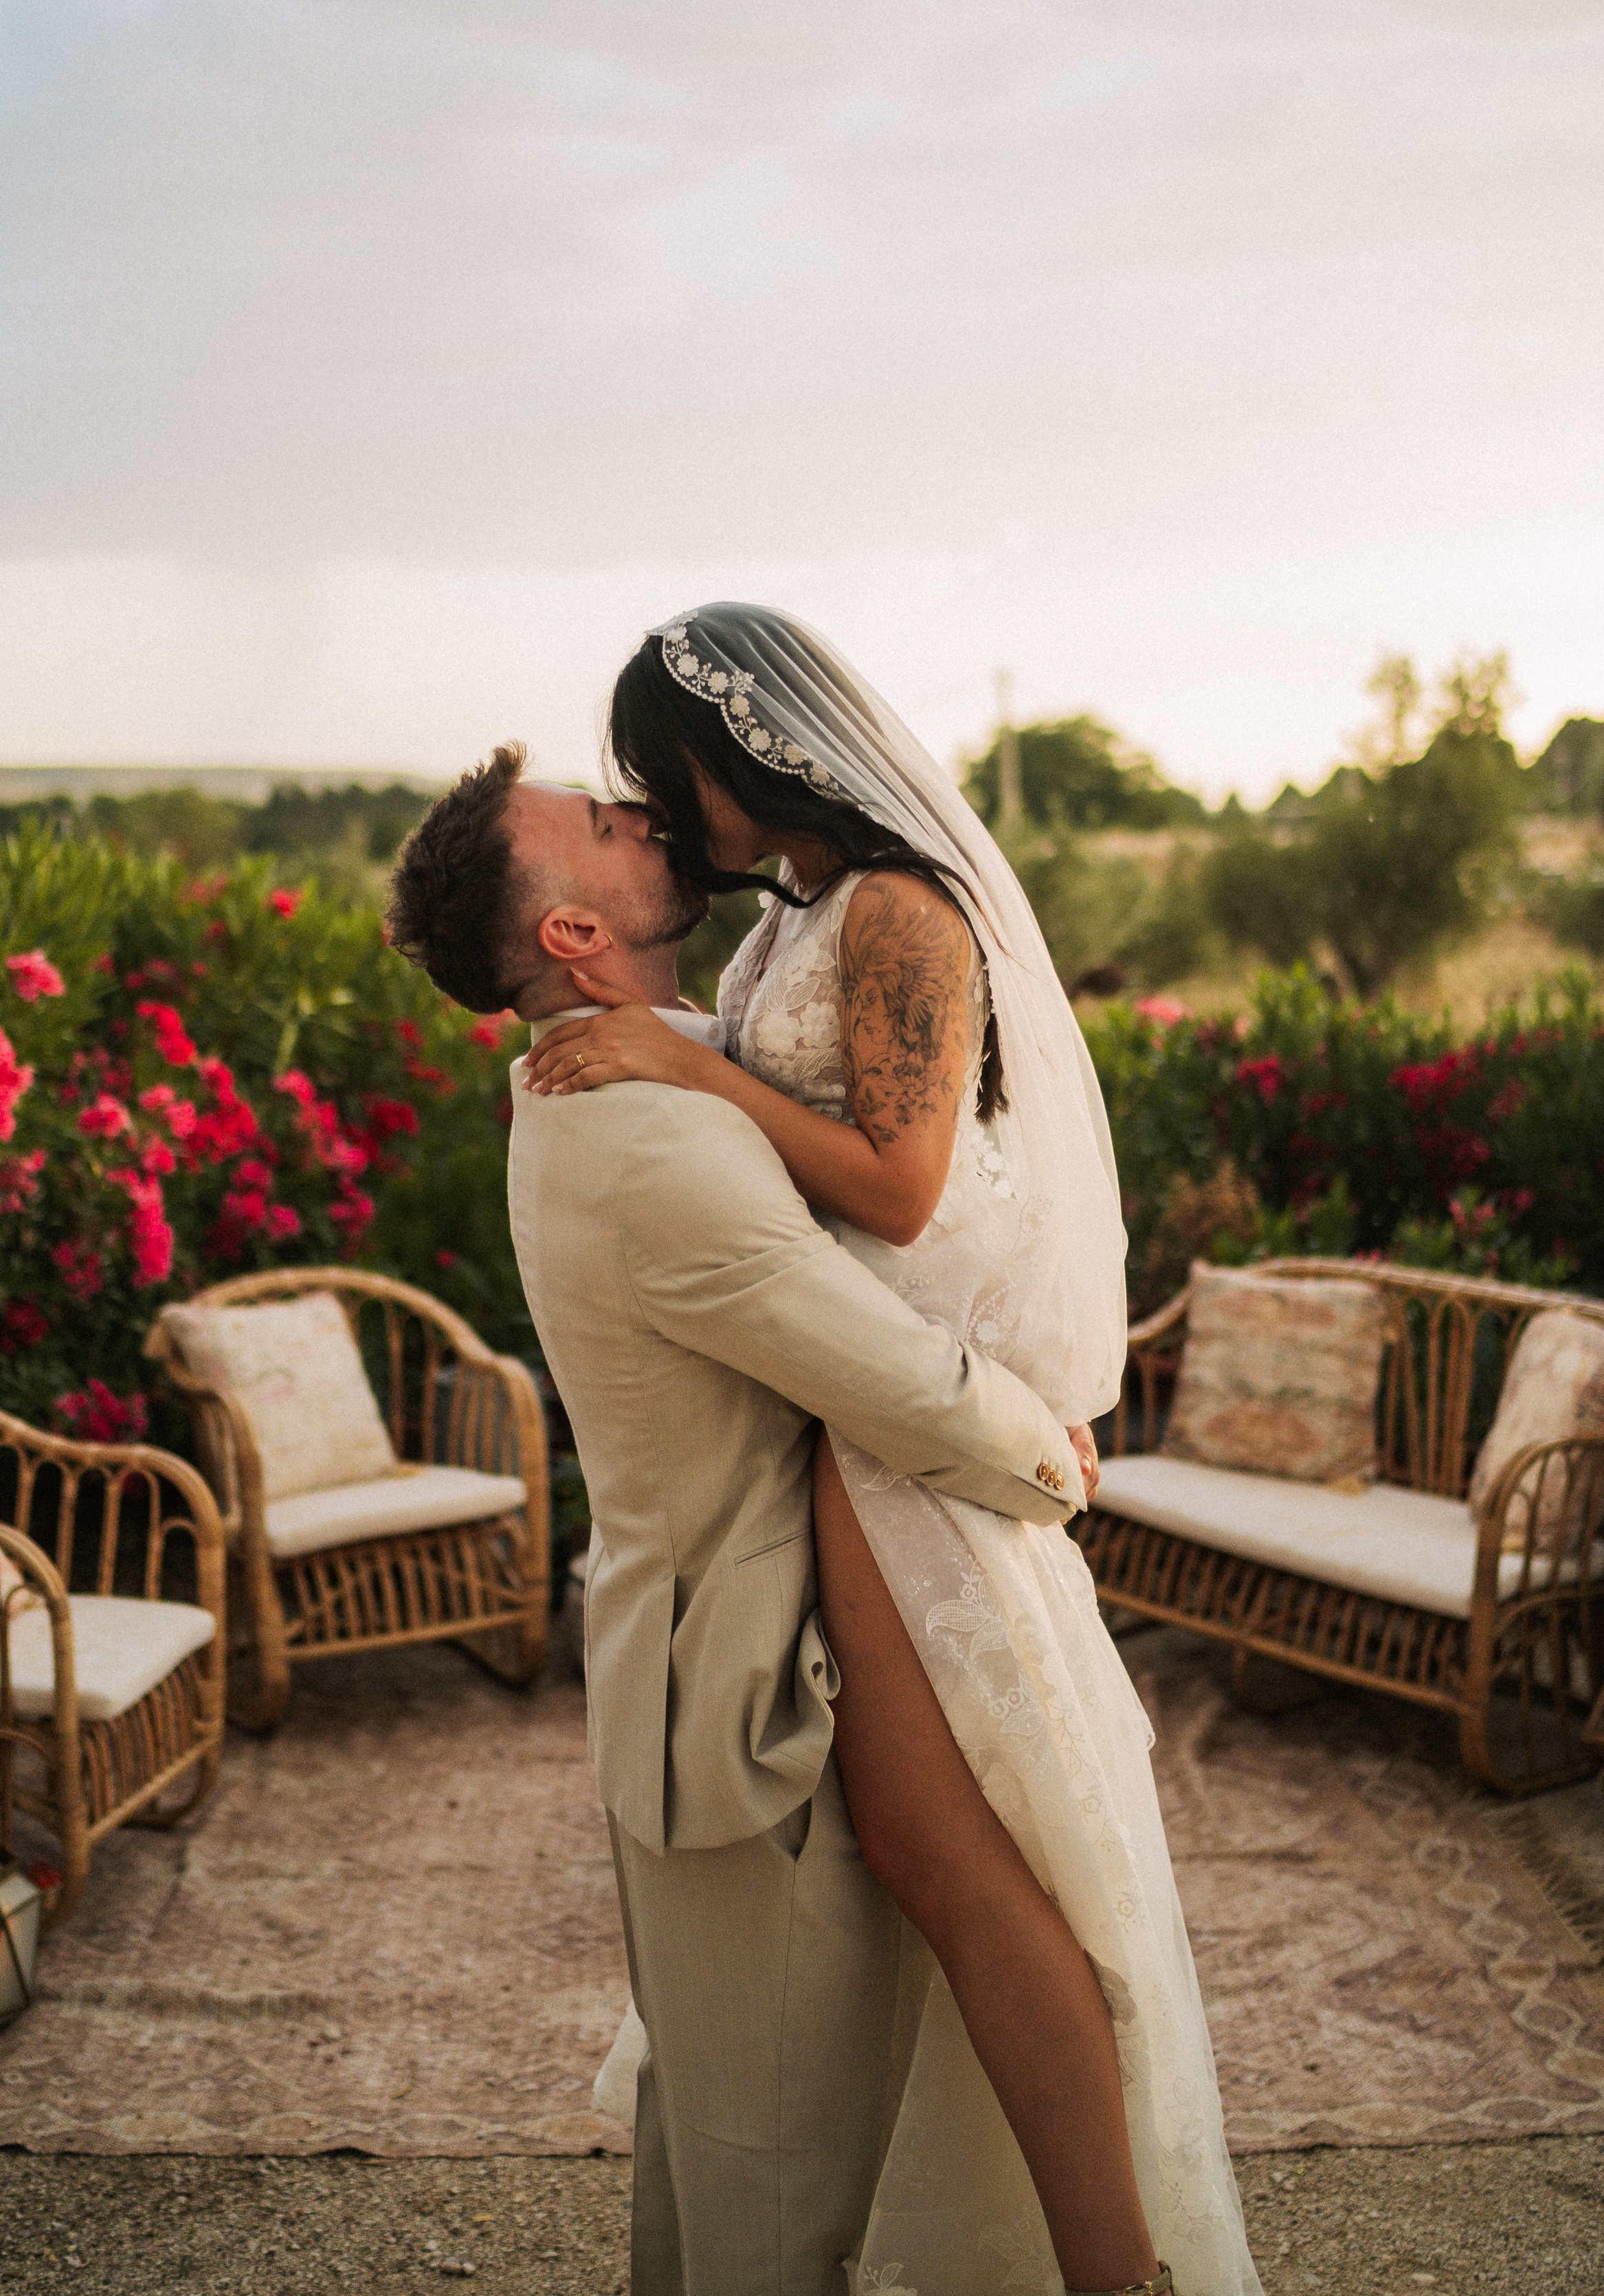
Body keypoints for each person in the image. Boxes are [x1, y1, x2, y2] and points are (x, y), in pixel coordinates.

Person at [520, 605, 1260, 2296]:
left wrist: (676, 1066)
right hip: (851, 1421)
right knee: (942, 1863)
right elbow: (790, 1135)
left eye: (665, 778)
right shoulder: (790, 929)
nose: (662, 812)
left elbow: (898, 1182)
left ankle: (1114, 2270)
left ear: (745, 757)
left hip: (903, 1441)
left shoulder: (907, 913)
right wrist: (684, 1052)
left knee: (964, 1863)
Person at [386, 750, 1112, 2296]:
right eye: (599, 822)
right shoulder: (649, 1137)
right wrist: (1048, 1454)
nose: (639, 813)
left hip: (703, 1673)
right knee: (769, 2197)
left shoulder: (639, 1066)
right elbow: (892, 1380)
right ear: (574, 938)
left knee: (710, 2146)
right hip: (743, 1706)